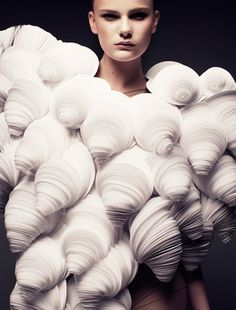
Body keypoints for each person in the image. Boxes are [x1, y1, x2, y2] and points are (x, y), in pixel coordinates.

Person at [88, 1, 211, 309]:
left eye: (138, 15)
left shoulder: (175, 110)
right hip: (86, 287)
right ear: (93, 22)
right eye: (111, 16)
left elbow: (184, 223)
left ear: (154, 21)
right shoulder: (66, 107)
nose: (125, 29)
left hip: (161, 288)